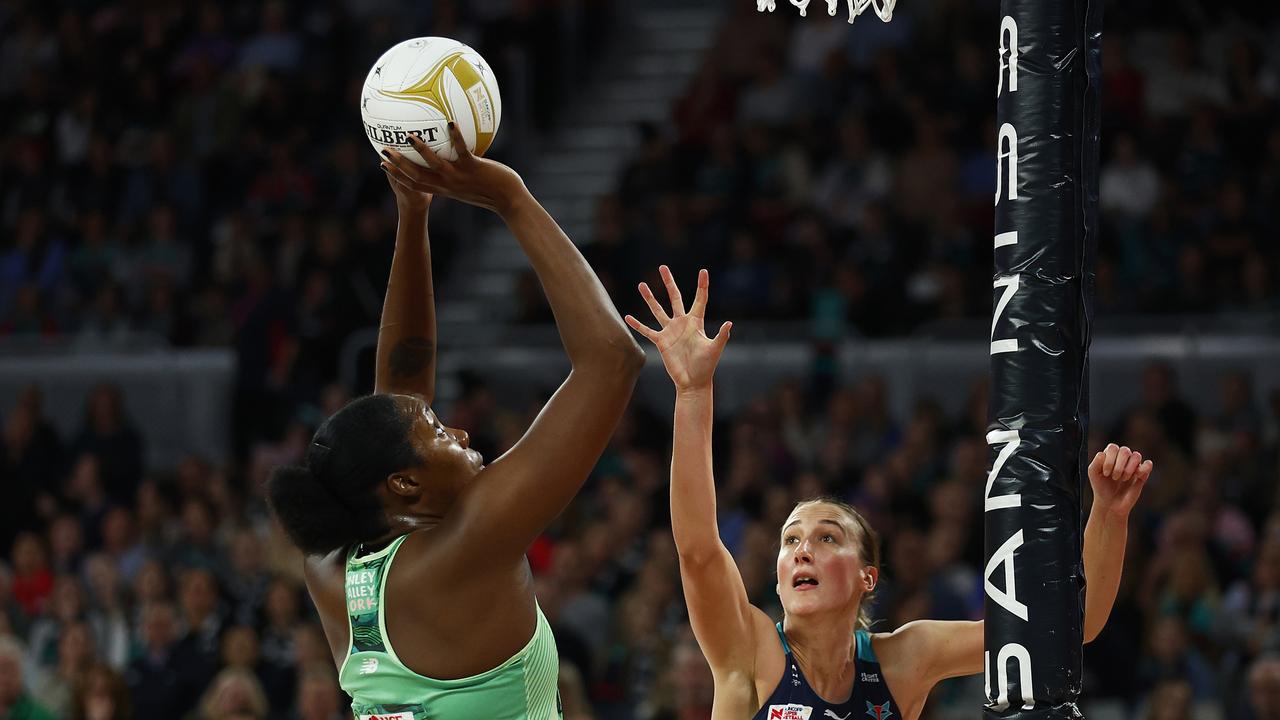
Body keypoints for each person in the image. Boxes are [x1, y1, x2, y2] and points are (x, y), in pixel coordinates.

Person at [625, 266, 1154, 720]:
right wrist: (693, 392)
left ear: (867, 577)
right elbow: (696, 549)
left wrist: (1108, 513)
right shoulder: (752, 647)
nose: (802, 549)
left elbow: (1070, 629)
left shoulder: (905, 659)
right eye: (790, 541)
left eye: (827, 537)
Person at [267, 126, 644, 719]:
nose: (463, 435)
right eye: (441, 433)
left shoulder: (331, 564)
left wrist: (412, 214)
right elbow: (612, 360)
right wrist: (512, 198)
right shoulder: (466, 548)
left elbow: (399, 390)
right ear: (405, 486)